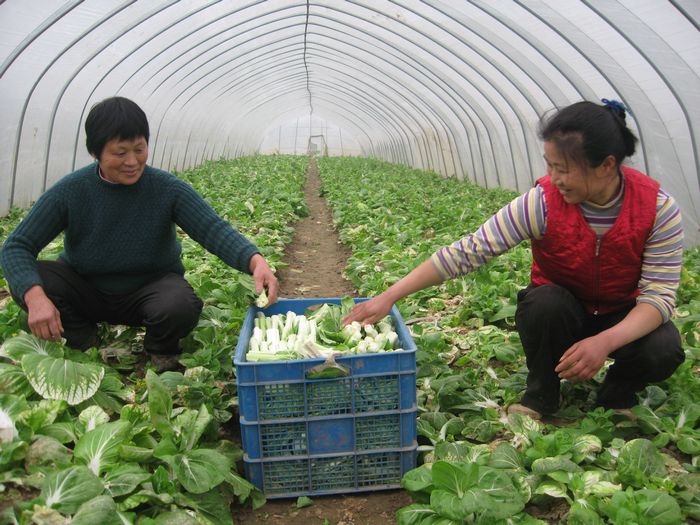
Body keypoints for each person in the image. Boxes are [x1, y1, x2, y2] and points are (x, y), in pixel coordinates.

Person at [343, 99, 685, 419]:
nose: (555, 179)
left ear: (607, 165)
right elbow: (469, 251)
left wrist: (605, 341)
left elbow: (658, 297)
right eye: (550, 166)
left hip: (620, 316)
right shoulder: (542, 203)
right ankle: (541, 394)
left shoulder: (657, 209)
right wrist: (390, 296)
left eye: (564, 169)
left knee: (663, 347)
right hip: (563, 315)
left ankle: (617, 392)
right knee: (544, 303)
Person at [0, 96, 278, 372]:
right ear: (96, 152)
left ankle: (160, 350)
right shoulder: (71, 191)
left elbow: (213, 229)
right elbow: (17, 246)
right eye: (120, 153)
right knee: (31, 281)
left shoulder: (166, 189)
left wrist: (255, 261)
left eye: (139, 149)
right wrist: (35, 297)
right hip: (86, 289)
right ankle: (84, 341)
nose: (132, 161)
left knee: (179, 304)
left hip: (149, 290)